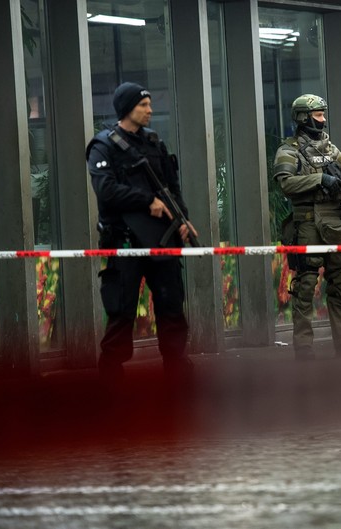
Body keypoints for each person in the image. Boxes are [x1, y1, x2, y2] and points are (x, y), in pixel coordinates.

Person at [86, 82, 197, 384]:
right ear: (127, 109)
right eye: (143, 105)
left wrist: (183, 220)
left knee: (172, 306)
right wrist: (147, 201)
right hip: (124, 241)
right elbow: (105, 190)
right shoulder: (103, 146)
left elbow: (172, 188)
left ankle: (177, 370)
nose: (150, 110)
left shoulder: (153, 142)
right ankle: (111, 375)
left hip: (162, 239)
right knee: (121, 311)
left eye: (149, 105)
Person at [273, 94, 341, 360]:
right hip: (308, 224)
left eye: (323, 114)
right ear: (303, 117)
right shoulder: (289, 150)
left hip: (337, 223)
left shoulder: (330, 148)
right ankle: (303, 346)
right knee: (305, 286)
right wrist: (319, 179)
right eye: (318, 115)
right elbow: (286, 184)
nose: (323, 119)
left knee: (340, 284)